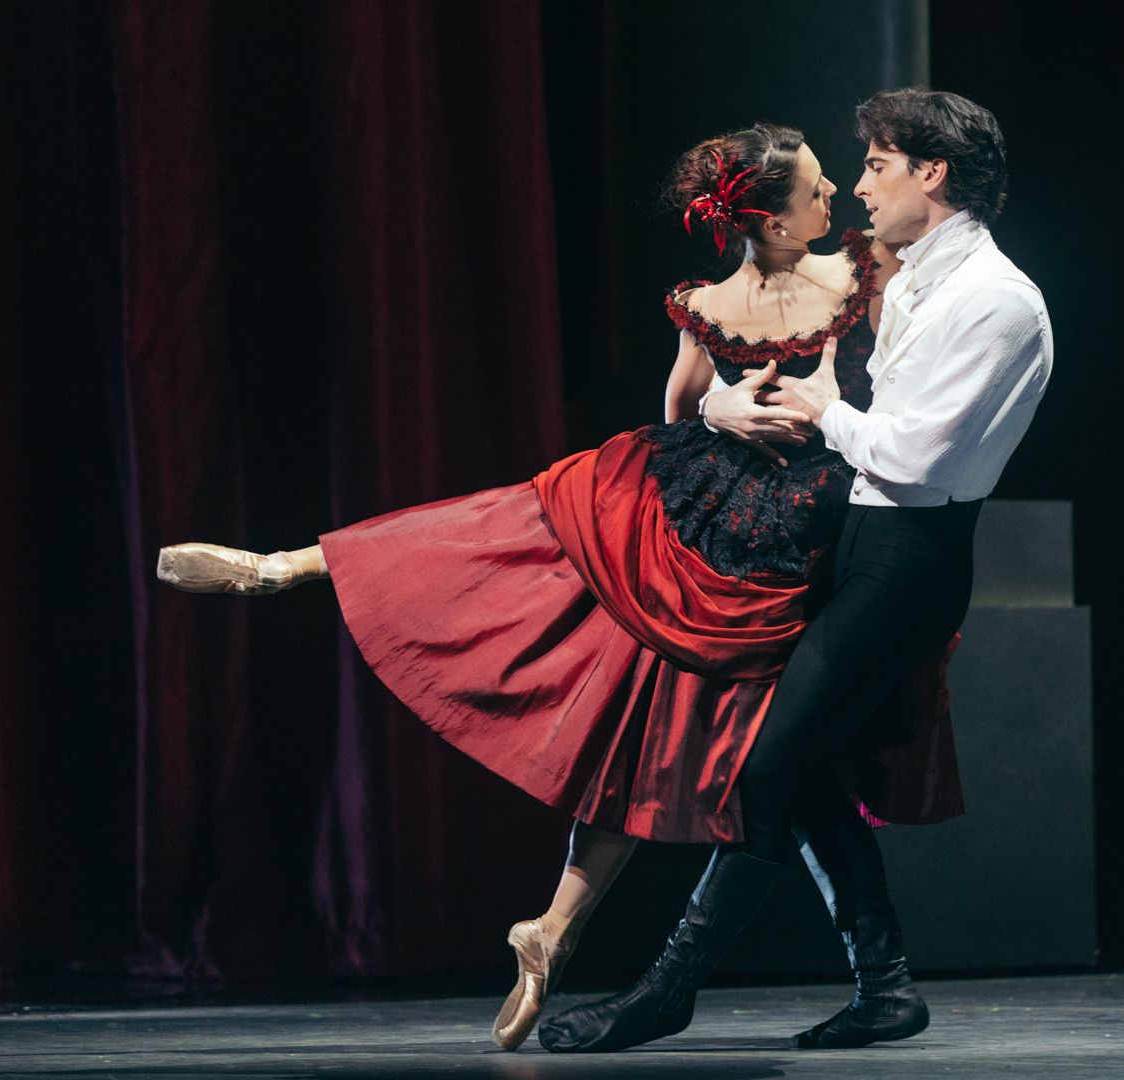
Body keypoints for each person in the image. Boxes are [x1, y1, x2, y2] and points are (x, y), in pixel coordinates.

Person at [154, 121, 964, 1051]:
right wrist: (725, 409)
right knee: (604, 635)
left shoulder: (821, 279)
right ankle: (597, 934)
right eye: (818, 186)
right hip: (758, 539)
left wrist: (760, 410)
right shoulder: (787, 289)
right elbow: (692, 409)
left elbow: (833, 399)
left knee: (577, 604)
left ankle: (305, 567)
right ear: (774, 223)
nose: (836, 194)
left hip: (768, 535)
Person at [538, 88, 1052, 1054]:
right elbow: (729, 377)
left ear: (933, 172)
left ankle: (668, 988)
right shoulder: (912, 276)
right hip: (853, 541)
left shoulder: (995, 300)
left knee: (766, 768)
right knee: (805, 766)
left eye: (877, 166)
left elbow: (914, 458)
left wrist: (824, 410)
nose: (860, 186)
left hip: (909, 559)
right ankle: (885, 985)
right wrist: (725, 408)